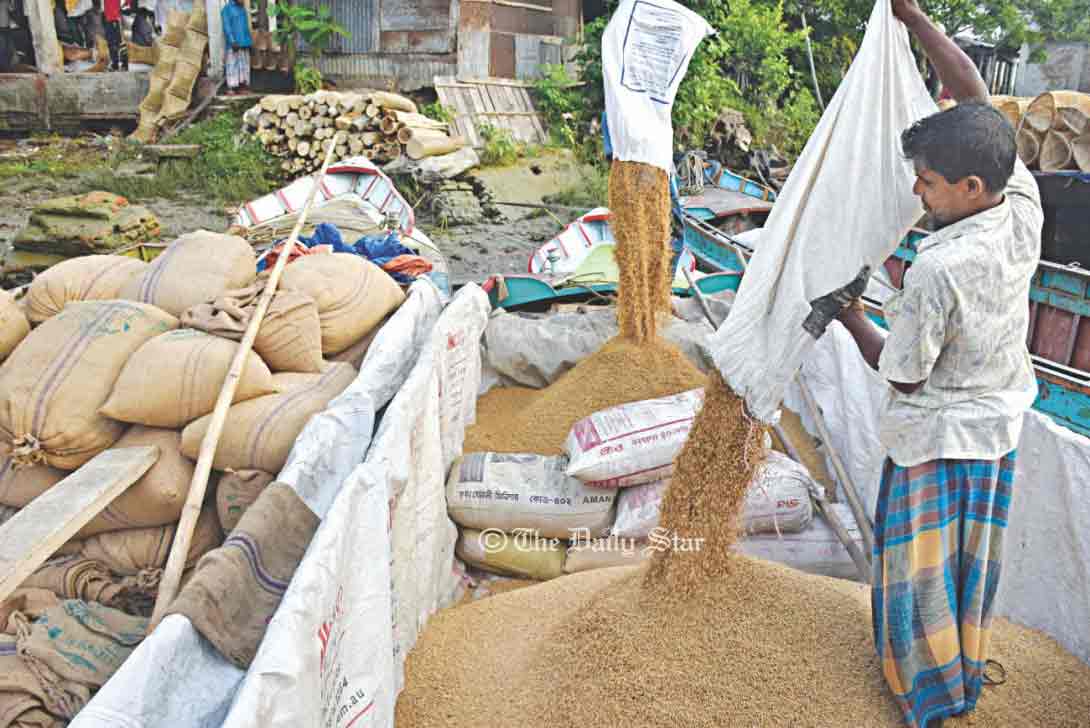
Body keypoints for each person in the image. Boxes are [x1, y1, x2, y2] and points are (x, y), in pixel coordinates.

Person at [836, 2, 1042, 726]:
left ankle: (925, 695)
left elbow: (904, 374)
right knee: (967, 570)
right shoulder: (1021, 202)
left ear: (969, 190)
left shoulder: (936, 267)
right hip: (996, 430)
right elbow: (974, 98)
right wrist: (916, 19)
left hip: (933, 445)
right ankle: (965, 675)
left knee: (918, 577)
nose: (917, 192)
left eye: (926, 182)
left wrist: (849, 312)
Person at [221, 0, 251, 95]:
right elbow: (227, 26)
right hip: (234, 44)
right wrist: (232, 41)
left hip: (244, 43)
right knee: (232, 64)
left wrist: (249, 41)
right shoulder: (227, 9)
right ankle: (231, 87)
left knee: (243, 65)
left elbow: (246, 27)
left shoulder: (242, 9)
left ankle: (242, 86)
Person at [102, 0, 127, 70]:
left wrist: (123, 6)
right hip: (110, 16)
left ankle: (122, 63)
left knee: (117, 41)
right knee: (112, 41)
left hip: (114, 17)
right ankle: (116, 63)